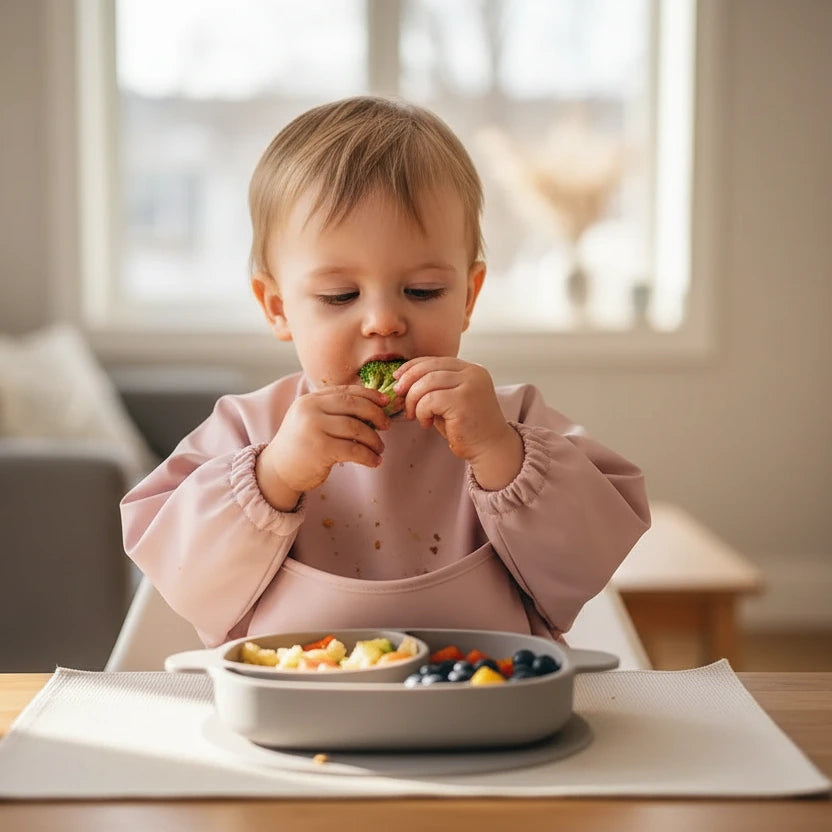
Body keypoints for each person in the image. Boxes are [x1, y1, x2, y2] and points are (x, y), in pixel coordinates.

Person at [121, 96, 650, 649]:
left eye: (423, 291)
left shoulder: (510, 420)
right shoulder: (247, 429)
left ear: (468, 297)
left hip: (487, 696)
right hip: (297, 697)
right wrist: (273, 476)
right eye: (339, 295)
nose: (383, 322)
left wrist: (502, 452)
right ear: (277, 308)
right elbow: (181, 580)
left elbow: (587, 565)